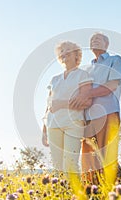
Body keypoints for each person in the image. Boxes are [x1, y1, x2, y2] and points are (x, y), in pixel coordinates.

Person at [70, 32, 121, 184]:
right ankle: (92, 192)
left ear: (106, 44)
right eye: (92, 39)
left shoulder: (115, 60)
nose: (94, 41)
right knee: (89, 159)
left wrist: (87, 94)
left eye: (98, 39)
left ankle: (115, 190)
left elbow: (111, 85)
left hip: (107, 112)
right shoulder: (85, 70)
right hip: (87, 118)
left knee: (106, 155)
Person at [42, 41, 92, 174]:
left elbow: (87, 102)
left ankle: (75, 194)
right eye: (62, 51)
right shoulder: (54, 79)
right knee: (57, 166)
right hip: (53, 124)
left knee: (70, 164)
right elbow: (49, 105)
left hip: (73, 124)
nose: (64, 53)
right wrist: (44, 130)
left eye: (68, 50)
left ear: (77, 55)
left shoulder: (83, 75)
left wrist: (61, 103)